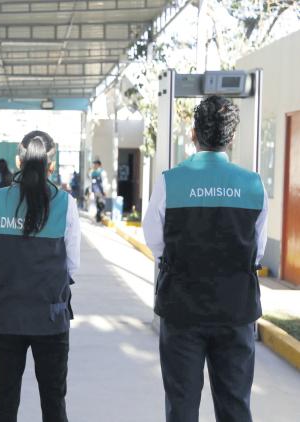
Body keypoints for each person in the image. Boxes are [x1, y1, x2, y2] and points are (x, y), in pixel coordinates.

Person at [143, 96, 268, 422]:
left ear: (194, 133)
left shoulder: (170, 181)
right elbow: (257, 249)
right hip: (236, 310)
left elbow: (155, 240)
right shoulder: (253, 184)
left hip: (182, 308)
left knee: (182, 406)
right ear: (232, 137)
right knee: (235, 406)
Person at [0, 130, 80, 422]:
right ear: (51, 166)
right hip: (50, 316)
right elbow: (72, 265)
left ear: (19, 161)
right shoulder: (65, 203)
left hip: (4, 314)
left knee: (5, 398)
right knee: (53, 402)